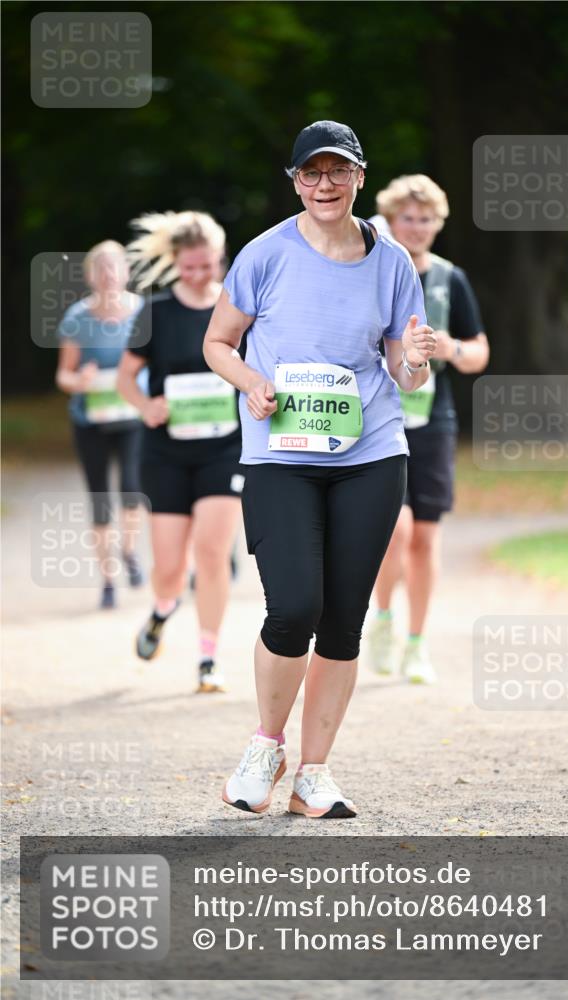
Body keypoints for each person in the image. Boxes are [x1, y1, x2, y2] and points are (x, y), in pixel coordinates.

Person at [203, 120, 435, 818]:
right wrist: (247, 380)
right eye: (311, 173)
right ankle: (264, 746)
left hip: (370, 452)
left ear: (360, 177)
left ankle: (314, 773)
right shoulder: (265, 254)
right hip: (281, 454)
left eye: (337, 172)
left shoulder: (390, 259)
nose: (324, 185)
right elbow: (216, 341)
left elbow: (405, 373)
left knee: (341, 619)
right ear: (296, 181)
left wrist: (416, 361)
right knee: (294, 605)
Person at [367, 175, 489, 683]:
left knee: (425, 536)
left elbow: (479, 353)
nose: (417, 228)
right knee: (393, 532)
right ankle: (384, 619)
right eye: (408, 218)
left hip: (432, 420)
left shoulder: (448, 278)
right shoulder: (371, 271)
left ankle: (417, 643)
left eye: (427, 219)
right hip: (378, 413)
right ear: (391, 221)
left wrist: (449, 349)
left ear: (439, 224)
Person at [117, 211, 243, 692]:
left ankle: (208, 658)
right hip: (165, 453)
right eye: (188, 267)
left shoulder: (238, 309)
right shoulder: (156, 312)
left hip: (225, 450)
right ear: (175, 264)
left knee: (211, 553)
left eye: (206, 265)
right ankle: (163, 607)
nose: (197, 274)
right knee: (169, 567)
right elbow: (126, 378)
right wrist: (146, 405)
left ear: (220, 260)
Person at [55, 240, 145, 610]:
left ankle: (129, 552)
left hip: (131, 417)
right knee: (99, 499)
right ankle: (108, 580)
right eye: (101, 268)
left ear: (126, 272)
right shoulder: (77, 318)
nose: (108, 275)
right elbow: (63, 375)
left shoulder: (143, 313)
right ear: (90, 275)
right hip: (89, 420)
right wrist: (79, 381)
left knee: (131, 489)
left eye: (114, 267)